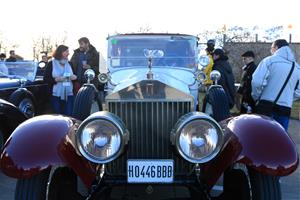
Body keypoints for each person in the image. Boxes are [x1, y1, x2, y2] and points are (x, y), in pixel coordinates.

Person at [252, 39, 300, 130]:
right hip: (286, 108)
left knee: (261, 136)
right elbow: (298, 91)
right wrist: (288, 97)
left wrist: (257, 96)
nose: (271, 51)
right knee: (279, 138)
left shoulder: (269, 61)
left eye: (271, 48)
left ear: (276, 48)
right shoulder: (297, 67)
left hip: (266, 105)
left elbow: (257, 82)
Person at [44, 45, 77, 116]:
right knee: (57, 116)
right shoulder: (51, 63)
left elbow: (74, 76)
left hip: (69, 94)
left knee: (69, 116)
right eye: (66, 51)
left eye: (68, 51)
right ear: (60, 52)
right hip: (56, 95)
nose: (68, 53)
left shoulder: (70, 63)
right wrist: (55, 79)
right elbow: (46, 79)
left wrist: (74, 77)